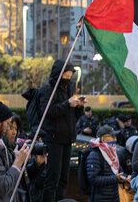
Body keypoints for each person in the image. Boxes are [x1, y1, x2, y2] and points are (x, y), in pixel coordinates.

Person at [39, 60, 86, 202]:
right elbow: (48, 112)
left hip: (68, 138)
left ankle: (59, 200)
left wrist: (78, 106)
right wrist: (67, 104)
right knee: (52, 178)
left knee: (63, 179)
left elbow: (73, 117)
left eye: (70, 75)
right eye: (66, 75)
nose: (68, 78)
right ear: (59, 74)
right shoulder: (48, 89)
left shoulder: (68, 89)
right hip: (54, 138)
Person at [86, 125, 128, 202]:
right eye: (112, 136)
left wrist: (125, 177)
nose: (115, 139)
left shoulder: (113, 154)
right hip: (100, 198)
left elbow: (119, 172)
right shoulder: (95, 155)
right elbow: (93, 179)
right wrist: (115, 178)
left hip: (114, 196)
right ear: (103, 139)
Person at [117, 135, 138, 202]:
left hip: (135, 181)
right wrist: (126, 176)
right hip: (124, 183)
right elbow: (118, 170)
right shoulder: (121, 154)